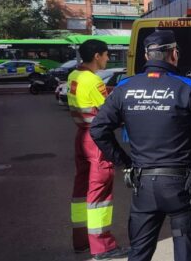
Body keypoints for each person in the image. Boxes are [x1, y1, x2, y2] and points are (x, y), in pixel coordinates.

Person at [90, 30, 191, 261]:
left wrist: (124, 162)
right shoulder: (189, 87)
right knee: (185, 253)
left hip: (144, 185)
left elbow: (98, 129)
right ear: (174, 54)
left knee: (140, 252)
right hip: (181, 185)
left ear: (147, 57)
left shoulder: (125, 87)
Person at [67, 39, 128, 260]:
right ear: (96, 57)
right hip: (96, 139)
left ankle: (81, 241)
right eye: (106, 55)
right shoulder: (93, 81)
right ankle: (103, 247)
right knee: (100, 193)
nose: (108, 58)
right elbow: (109, 113)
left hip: (81, 135)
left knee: (82, 190)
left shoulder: (74, 76)